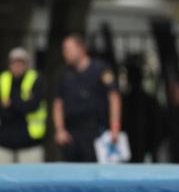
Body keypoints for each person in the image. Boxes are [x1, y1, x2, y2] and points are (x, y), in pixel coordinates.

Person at [53, 35, 121, 163]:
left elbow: (114, 97)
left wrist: (115, 127)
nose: (65, 54)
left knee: (98, 175)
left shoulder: (101, 69)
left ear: (81, 49)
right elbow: (58, 103)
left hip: (97, 132)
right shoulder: (64, 74)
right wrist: (60, 129)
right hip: (72, 135)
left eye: (68, 50)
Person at [0, 48, 45, 164]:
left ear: (26, 65)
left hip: (29, 143)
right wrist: (22, 103)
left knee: (31, 179)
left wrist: (10, 103)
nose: (17, 66)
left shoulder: (35, 79)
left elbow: (32, 106)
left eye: (21, 63)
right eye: (15, 63)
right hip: (4, 143)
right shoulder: (3, 79)